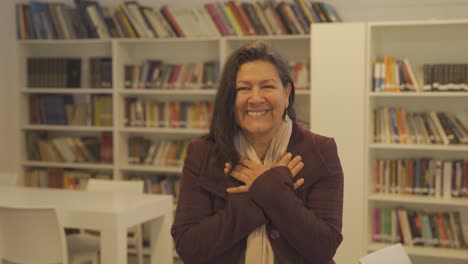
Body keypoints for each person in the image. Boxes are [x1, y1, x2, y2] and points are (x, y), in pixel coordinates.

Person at [171, 41, 344, 264]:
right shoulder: (203, 153)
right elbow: (189, 247)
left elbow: (324, 247)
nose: (255, 98)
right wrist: (270, 187)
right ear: (231, 98)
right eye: (244, 88)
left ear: (287, 92)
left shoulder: (320, 151)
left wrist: (269, 189)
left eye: (267, 86)